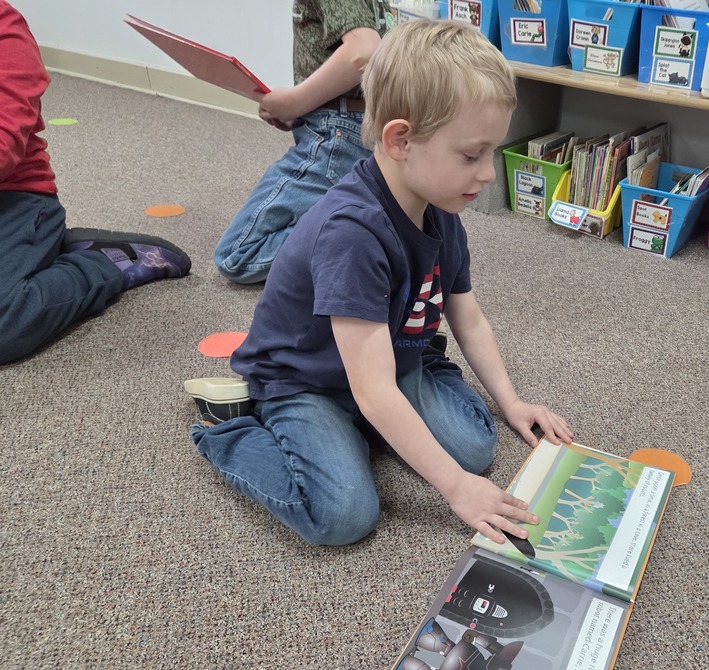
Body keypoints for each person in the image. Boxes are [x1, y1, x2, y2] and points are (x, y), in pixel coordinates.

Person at [188, 19, 574, 547]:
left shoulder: (442, 210)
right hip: (307, 380)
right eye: (471, 155)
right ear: (401, 140)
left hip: (389, 356)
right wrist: (457, 488)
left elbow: (468, 314)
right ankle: (231, 432)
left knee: (479, 447)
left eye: (491, 152)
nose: (488, 174)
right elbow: (371, 389)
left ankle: (388, 411)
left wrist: (512, 402)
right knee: (345, 514)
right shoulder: (352, 233)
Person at [0, 1, 190, 365]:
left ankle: (102, 263)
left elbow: (5, 144)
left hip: (18, 197)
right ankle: (38, 255)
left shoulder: (5, 27)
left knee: (5, 325)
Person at [213, 0, 394, 284]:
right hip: (347, 121)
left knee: (237, 253)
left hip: (337, 132)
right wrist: (300, 107)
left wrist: (297, 102)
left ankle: (366, 244)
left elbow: (365, 50)